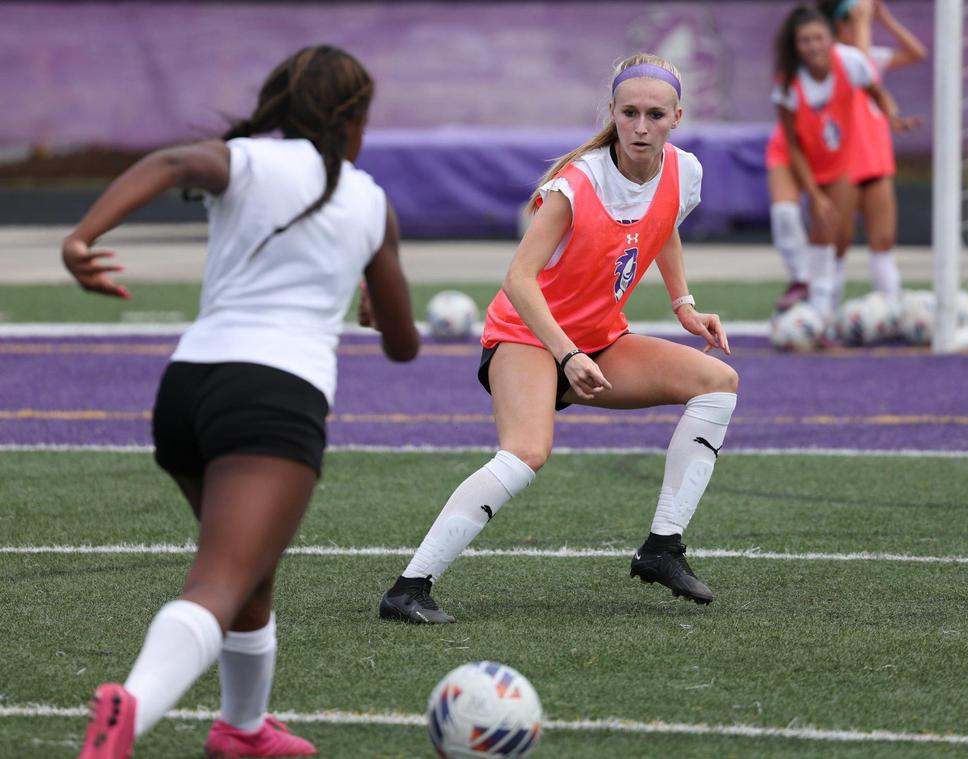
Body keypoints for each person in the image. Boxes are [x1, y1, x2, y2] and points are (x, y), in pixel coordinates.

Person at [67, 45, 419, 758]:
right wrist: (376, 310)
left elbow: (171, 164)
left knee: (251, 571)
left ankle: (242, 728)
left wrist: (82, 238)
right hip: (274, 396)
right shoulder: (369, 200)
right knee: (222, 580)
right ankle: (127, 711)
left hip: (188, 386)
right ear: (352, 120)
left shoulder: (248, 159)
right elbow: (402, 344)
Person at [373, 53, 738, 624]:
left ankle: (662, 549)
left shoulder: (683, 170)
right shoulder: (577, 183)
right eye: (630, 113)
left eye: (655, 115)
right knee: (526, 453)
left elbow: (662, 226)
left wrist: (683, 304)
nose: (641, 127)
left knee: (718, 384)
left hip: (598, 339)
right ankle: (409, 588)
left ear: (677, 118)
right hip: (528, 336)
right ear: (612, 114)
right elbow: (517, 280)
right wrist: (566, 354)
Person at [764, 4, 916, 321]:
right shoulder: (788, 84)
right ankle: (804, 283)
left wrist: (894, 117)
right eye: (805, 40)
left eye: (819, 37)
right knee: (786, 213)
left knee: (832, 234)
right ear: (795, 46)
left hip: (837, 160)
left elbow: (877, 93)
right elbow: (793, 145)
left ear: (830, 38)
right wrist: (815, 195)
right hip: (796, 156)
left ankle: (825, 310)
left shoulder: (851, 62)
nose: (814, 46)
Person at [820, 0, 927, 306]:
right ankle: (825, 309)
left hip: (874, 160)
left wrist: (884, 17)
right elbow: (860, 69)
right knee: (838, 243)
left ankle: (893, 308)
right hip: (843, 164)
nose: (857, 26)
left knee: (883, 241)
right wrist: (864, 20)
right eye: (851, 21)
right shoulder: (834, 59)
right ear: (839, 24)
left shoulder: (867, 57)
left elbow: (916, 52)